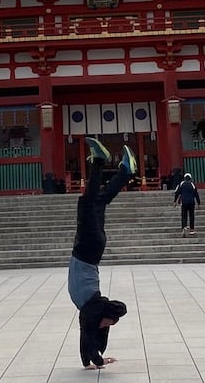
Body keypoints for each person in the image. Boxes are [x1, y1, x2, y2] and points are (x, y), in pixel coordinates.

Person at [68, 137, 134, 370]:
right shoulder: (93, 307)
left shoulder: (90, 312)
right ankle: (98, 160)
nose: (107, 325)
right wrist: (96, 358)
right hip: (86, 249)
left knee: (98, 201)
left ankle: (126, 171)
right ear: (106, 315)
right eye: (109, 322)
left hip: (90, 248)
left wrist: (90, 361)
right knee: (87, 203)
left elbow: (86, 337)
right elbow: (87, 335)